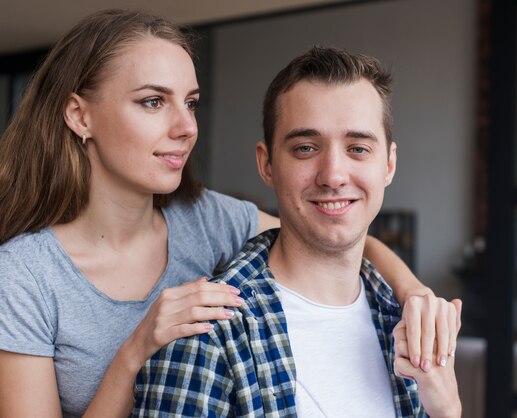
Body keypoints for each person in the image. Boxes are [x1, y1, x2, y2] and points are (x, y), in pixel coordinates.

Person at [0, 9, 458, 418]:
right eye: (153, 102)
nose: (185, 128)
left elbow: (334, 232)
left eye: (191, 103)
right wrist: (135, 350)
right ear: (80, 116)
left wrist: (413, 292)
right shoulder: (25, 275)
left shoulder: (208, 220)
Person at [133, 46, 462, 418]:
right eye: (306, 148)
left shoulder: (404, 319)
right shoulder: (208, 335)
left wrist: (447, 409)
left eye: (357, 148)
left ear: (388, 164)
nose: (334, 175)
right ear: (267, 164)